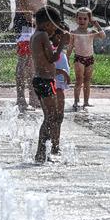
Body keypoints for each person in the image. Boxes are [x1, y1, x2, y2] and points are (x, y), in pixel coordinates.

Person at [10, 0, 52, 111]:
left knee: (33, 62)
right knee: (25, 59)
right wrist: (29, 17)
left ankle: (33, 98)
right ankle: (21, 99)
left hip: (34, 20)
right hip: (26, 20)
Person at [30, 6, 68, 162]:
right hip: (45, 81)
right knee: (51, 117)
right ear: (47, 24)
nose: (55, 29)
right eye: (54, 26)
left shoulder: (36, 35)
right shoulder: (43, 35)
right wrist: (62, 44)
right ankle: (40, 151)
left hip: (42, 80)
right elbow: (52, 58)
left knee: (51, 116)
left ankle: (44, 150)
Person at [71, 7, 105, 111]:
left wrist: (97, 25)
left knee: (87, 80)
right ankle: (76, 101)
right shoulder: (74, 32)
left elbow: (103, 36)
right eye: (80, 18)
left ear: (89, 20)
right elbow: (70, 46)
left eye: (85, 19)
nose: (82, 21)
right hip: (79, 59)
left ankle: (86, 101)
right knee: (79, 80)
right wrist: (67, 58)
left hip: (89, 59)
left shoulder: (91, 32)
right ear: (76, 19)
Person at [50, 24, 70, 153]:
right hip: (54, 87)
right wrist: (63, 72)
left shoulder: (60, 49)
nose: (69, 38)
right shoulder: (52, 49)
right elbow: (47, 67)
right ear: (58, 36)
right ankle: (53, 144)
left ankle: (55, 144)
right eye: (66, 36)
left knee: (60, 117)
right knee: (55, 117)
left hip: (60, 87)